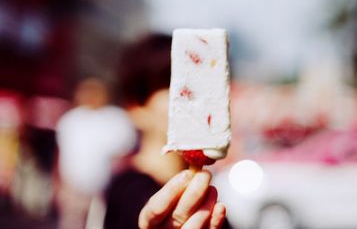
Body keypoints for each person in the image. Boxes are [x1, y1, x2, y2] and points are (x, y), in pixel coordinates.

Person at [104, 33, 230, 229]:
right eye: (173, 87)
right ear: (136, 107)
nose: (192, 99)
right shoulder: (129, 191)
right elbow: (143, 216)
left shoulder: (207, 192)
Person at [56, 77, 136, 229]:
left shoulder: (116, 119)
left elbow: (125, 154)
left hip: (105, 190)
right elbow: (60, 153)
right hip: (73, 189)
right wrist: (59, 184)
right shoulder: (70, 119)